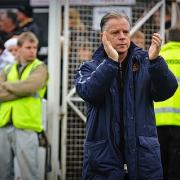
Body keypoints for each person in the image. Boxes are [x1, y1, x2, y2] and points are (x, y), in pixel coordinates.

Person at [75, 11, 178, 180]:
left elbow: (167, 91)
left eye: (126, 32)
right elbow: (90, 93)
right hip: (103, 159)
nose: (122, 37)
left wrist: (155, 62)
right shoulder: (88, 67)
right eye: (115, 33)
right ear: (104, 37)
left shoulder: (147, 62)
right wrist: (110, 62)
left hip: (143, 159)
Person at [0, 31, 48, 180]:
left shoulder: (40, 68)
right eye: (29, 47)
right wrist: (20, 89)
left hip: (26, 128)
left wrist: (7, 85)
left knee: (29, 175)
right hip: (3, 126)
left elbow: (30, 87)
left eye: (35, 47)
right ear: (18, 49)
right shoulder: (7, 69)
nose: (33, 51)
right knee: (3, 174)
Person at [154, 23, 180, 180]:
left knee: (159, 168)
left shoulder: (158, 56)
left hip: (157, 122)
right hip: (179, 125)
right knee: (176, 170)